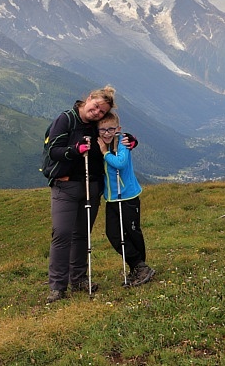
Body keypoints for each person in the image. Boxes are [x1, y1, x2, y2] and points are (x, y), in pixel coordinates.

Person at [43, 86, 116, 304]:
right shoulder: (66, 120)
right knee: (62, 234)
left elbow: (112, 133)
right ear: (89, 99)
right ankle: (57, 286)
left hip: (91, 186)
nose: (97, 113)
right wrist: (75, 150)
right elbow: (53, 151)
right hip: (65, 187)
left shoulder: (97, 126)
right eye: (96, 108)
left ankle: (79, 278)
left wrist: (129, 140)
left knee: (82, 234)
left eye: (102, 112)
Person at [97, 111, 155, 287]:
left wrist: (105, 153)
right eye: (103, 130)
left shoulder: (122, 142)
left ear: (118, 129)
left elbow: (121, 163)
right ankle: (138, 265)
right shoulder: (100, 142)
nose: (107, 133)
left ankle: (139, 267)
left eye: (111, 129)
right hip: (112, 198)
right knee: (113, 233)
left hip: (127, 196)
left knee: (132, 232)